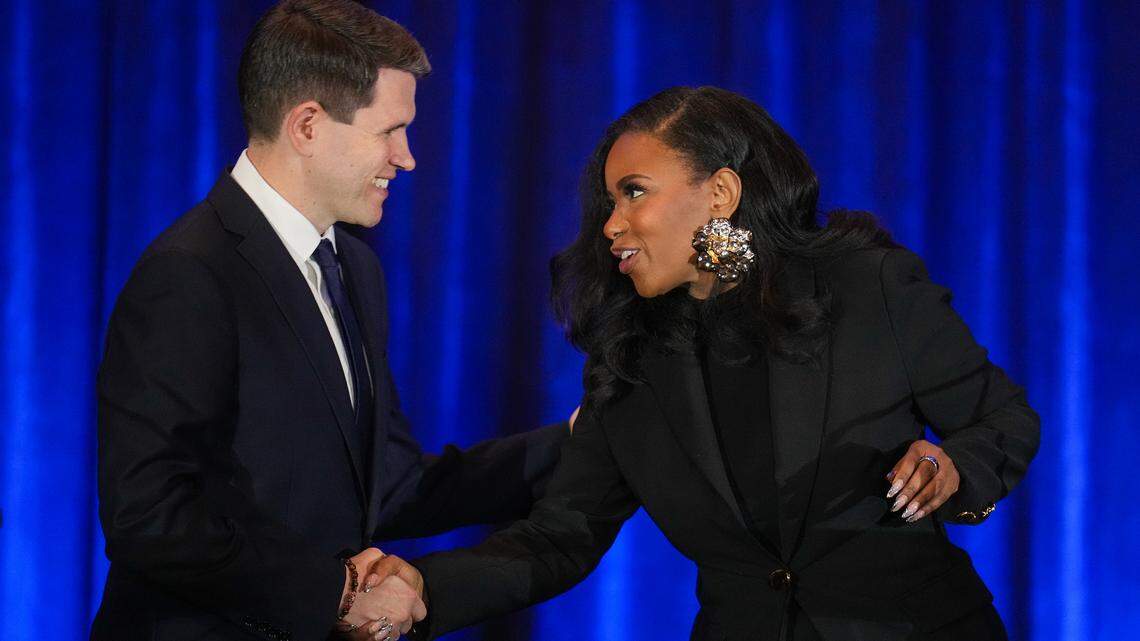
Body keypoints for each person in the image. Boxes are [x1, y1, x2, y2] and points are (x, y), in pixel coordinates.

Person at [384, 87, 1040, 640]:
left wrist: (955, 467)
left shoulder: (867, 285)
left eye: (634, 192)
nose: (611, 224)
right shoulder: (629, 355)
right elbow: (563, 535)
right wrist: (422, 588)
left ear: (721, 191)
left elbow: (1003, 418)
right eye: (609, 202)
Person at [92, 2, 569, 640]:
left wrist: (571, 443)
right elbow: (151, 515)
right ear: (309, 126)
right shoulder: (190, 273)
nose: (407, 158)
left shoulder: (354, 271)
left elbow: (389, 485)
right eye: (389, 131)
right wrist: (338, 595)